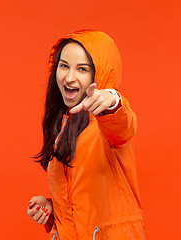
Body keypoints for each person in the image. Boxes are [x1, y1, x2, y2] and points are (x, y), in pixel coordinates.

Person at [27, 30, 145, 240]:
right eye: (64, 66)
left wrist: (111, 100)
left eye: (82, 69)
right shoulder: (64, 129)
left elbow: (123, 125)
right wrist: (54, 210)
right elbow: (85, 204)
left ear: (97, 74)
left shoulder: (107, 127)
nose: (69, 77)